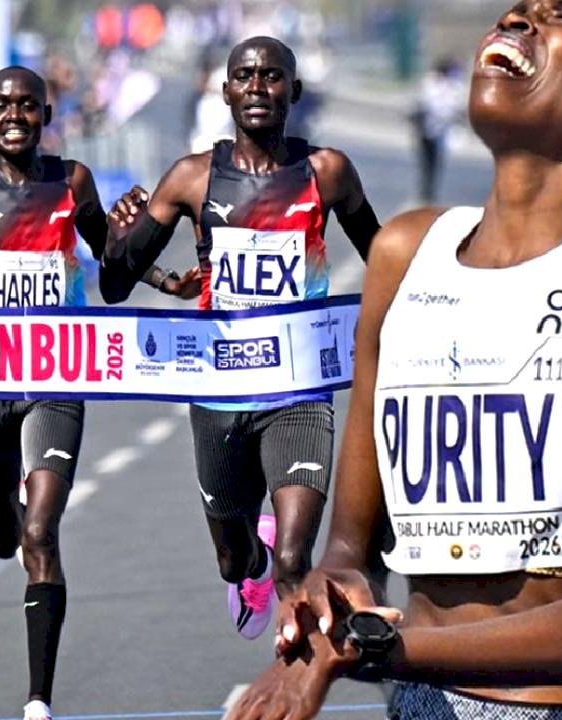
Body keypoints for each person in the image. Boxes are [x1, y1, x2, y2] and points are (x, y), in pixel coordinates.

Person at [227, 1, 562, 718]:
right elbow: (352, 545)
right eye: (521, 7)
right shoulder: (405, 253)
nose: (521, 17)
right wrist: (330, 597)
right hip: (421, 702)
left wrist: (372, 648)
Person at [0, 66, 191, 720]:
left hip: (57, 381)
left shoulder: (72, 182)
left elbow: (111, 265)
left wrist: (161, 274)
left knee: (41, 533)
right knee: (6, 538)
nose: (15, 115)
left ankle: (39, 699)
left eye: (28, 106)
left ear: (45, 114)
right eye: (2, 105)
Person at [100, 37, 380, 642]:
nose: (258, 86)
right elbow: (115, 287)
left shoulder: (327, 172)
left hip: (298, 390)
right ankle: (248, 566)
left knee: (293, 563)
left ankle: (292, 683)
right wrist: (117, 243)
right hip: (219, 390)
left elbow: (382, 260)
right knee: (236, 558)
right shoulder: (191, 177)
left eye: (272, 76)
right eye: (245, 76)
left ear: (294, 92)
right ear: (225, 92)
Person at [410, 58, 466, 204]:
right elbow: (426, 103)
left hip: (438, 131)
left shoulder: (450, 86)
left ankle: (428, 191)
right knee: (428, 161)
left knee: (433, 162)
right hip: (427, 128)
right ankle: (426, 190)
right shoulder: (431, 83)